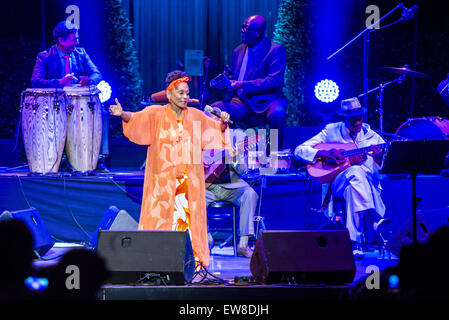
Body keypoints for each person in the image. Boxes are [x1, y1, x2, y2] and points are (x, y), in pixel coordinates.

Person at [109, 70, 230, 268]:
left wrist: (223, 123)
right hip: (162, 183)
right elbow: (136, 119)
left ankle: (190, 263)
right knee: (161, 222)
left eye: (186, 93)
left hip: (188, 185)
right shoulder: (156, 113)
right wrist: (122, 113)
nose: (184, 97)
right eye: (180, 93)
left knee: (186, 224)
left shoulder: (197, 117)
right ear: (169, 94)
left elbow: (215, 131)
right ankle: (156, 261)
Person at [294, 97, 389, 258]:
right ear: (344, 118)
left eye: (360, 118)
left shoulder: (373, 137)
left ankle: (354, 242)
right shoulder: (331, 130)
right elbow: (299, 150)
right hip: (337, 182)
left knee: (355, 183)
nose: (357, 122)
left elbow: (384, 167)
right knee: (356, 172)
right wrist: (322, 153)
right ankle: (375, 217)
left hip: (361, 185)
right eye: (353, 119)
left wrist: (379, 158)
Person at [28, 21, 109, 172]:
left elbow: (97, 73)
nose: (77, 42)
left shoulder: (81, 53)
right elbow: (36, 81)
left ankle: (99, 157)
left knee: (102, 114)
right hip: (55, 103)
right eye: (73, 40)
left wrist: (89, 80)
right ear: (61, 40)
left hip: (80, 102)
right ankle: (59, 158)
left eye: (77, 38)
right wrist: (59, 82)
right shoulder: (45, 56)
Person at [211, 14, 287, 149]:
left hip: (267, 101)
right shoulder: (238, 51)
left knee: (277, 113)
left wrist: (241, 84)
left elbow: (274, 81)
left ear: (258, 33)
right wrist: (227, 82)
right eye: (242, 27)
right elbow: (235, 77)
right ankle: (221, 154)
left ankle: (276, 154)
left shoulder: (275, 50)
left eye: (246, 29)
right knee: (215, 109)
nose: (242, 31)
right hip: (242, 101)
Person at [203, 128, 259, 258]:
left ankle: (243, 244)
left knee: (249, 194)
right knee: (195, 197)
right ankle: (205, 240)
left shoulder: (238, 137)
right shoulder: (201, 136)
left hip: (232, 185)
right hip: (207, 186)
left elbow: (243, 171)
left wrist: (235, 159)